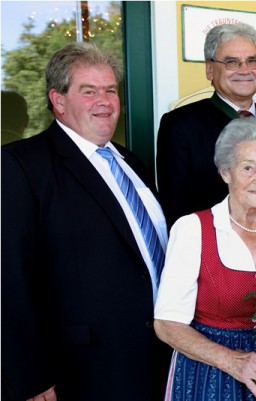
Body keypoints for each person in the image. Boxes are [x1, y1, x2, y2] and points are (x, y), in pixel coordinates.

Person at [1, 42, 169, 401]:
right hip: (81, 371)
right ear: (58, 101)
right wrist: (30, 377)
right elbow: (9, 279)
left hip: (156, 356)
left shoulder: (131, 163)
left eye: (110, 90)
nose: (105, 101)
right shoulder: (20, 166)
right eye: (88, 91)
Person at [154, 117, 256, 401]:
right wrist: (232, 360)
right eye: (248, 168)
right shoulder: (193, 230)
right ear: (225, 172)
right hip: (211, 379)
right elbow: (166, 325)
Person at [157, 22, 256, 228]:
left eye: (252, 61)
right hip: (212, 249)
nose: (245, 70)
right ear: (210, 69)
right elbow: (176, 207)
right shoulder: (180, 125)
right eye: (231, 62)